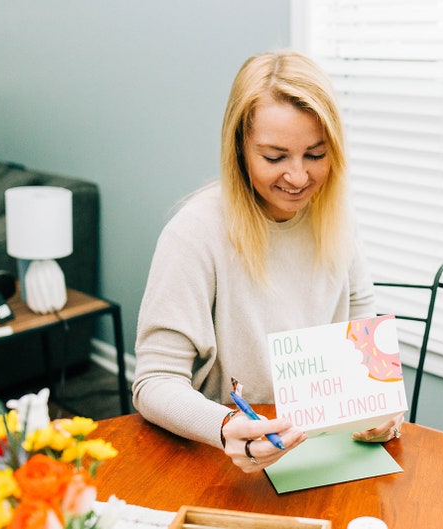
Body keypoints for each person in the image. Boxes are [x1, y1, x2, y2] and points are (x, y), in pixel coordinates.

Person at [132, 49, 404, 473]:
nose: (298, 177)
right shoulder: (194, 234)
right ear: (239, 149)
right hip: (223, 463)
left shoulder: (337, 220)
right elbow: (153, 383)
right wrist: (225, 425)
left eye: (315, 155)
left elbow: (364, 343)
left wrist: (380, 409)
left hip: (323, 457)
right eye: (275, 157)